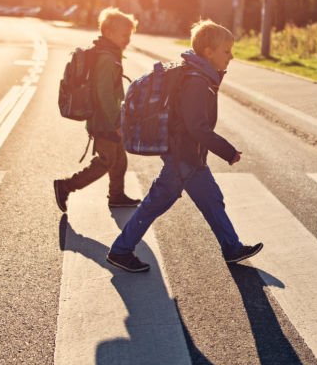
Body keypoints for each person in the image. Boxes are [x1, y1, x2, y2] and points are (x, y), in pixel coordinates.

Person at [105, 19, 263, 273]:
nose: (231, 56)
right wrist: (228, 151)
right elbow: (196, 126)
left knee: (212, 200)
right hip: (183, 156)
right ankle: (121, 250)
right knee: (155, 204)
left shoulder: (200, 76)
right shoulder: (197, 82)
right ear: (208, 52)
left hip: (189, 157)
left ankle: (232, 247)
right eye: (226, 51)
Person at [54, 7, 142, 212]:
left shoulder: (108, 54)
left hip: (107, 117)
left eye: (130, 35)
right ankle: (66, 186)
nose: (128, 40)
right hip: (104, 120)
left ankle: (117, 195)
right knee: (105, 161)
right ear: (109, 33)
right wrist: (115, 123)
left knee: (119, 160)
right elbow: (103, 93)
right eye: (125, 35)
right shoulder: (106, 58)